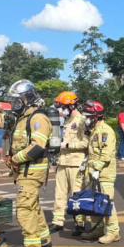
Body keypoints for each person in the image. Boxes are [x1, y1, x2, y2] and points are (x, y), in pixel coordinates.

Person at [6, 80, 52, 247]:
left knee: (24, 209)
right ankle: (43, 239)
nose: (14, 104)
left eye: (17, 100)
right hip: (25, 170)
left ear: (27, 99)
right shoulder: (24, 118)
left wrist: (16, 159)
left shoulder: (37, 118)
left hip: (32, 171)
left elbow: (38, 147)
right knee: (33, 206)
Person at [81, 100, 120, 245]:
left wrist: (97, 168)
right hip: (92, 173)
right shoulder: (94, 131)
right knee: (94, 203)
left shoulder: (106, 131)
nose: (86, 119)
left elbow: (106, 153)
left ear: (96, 117)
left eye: (88, 116)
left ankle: (113, 232)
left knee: (106, 203)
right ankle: (97, 229)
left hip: (103, 174)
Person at [49, 91, 87, 234]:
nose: (60, 110)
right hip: (63, 162)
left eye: (62, 106)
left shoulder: (81, 121)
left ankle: (80, 223)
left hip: (76, 163)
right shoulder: (67, 121)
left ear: (71, 106)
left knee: (77, 195)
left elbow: (86, 142)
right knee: (59, 194)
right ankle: (57, 221)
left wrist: (68, 145)